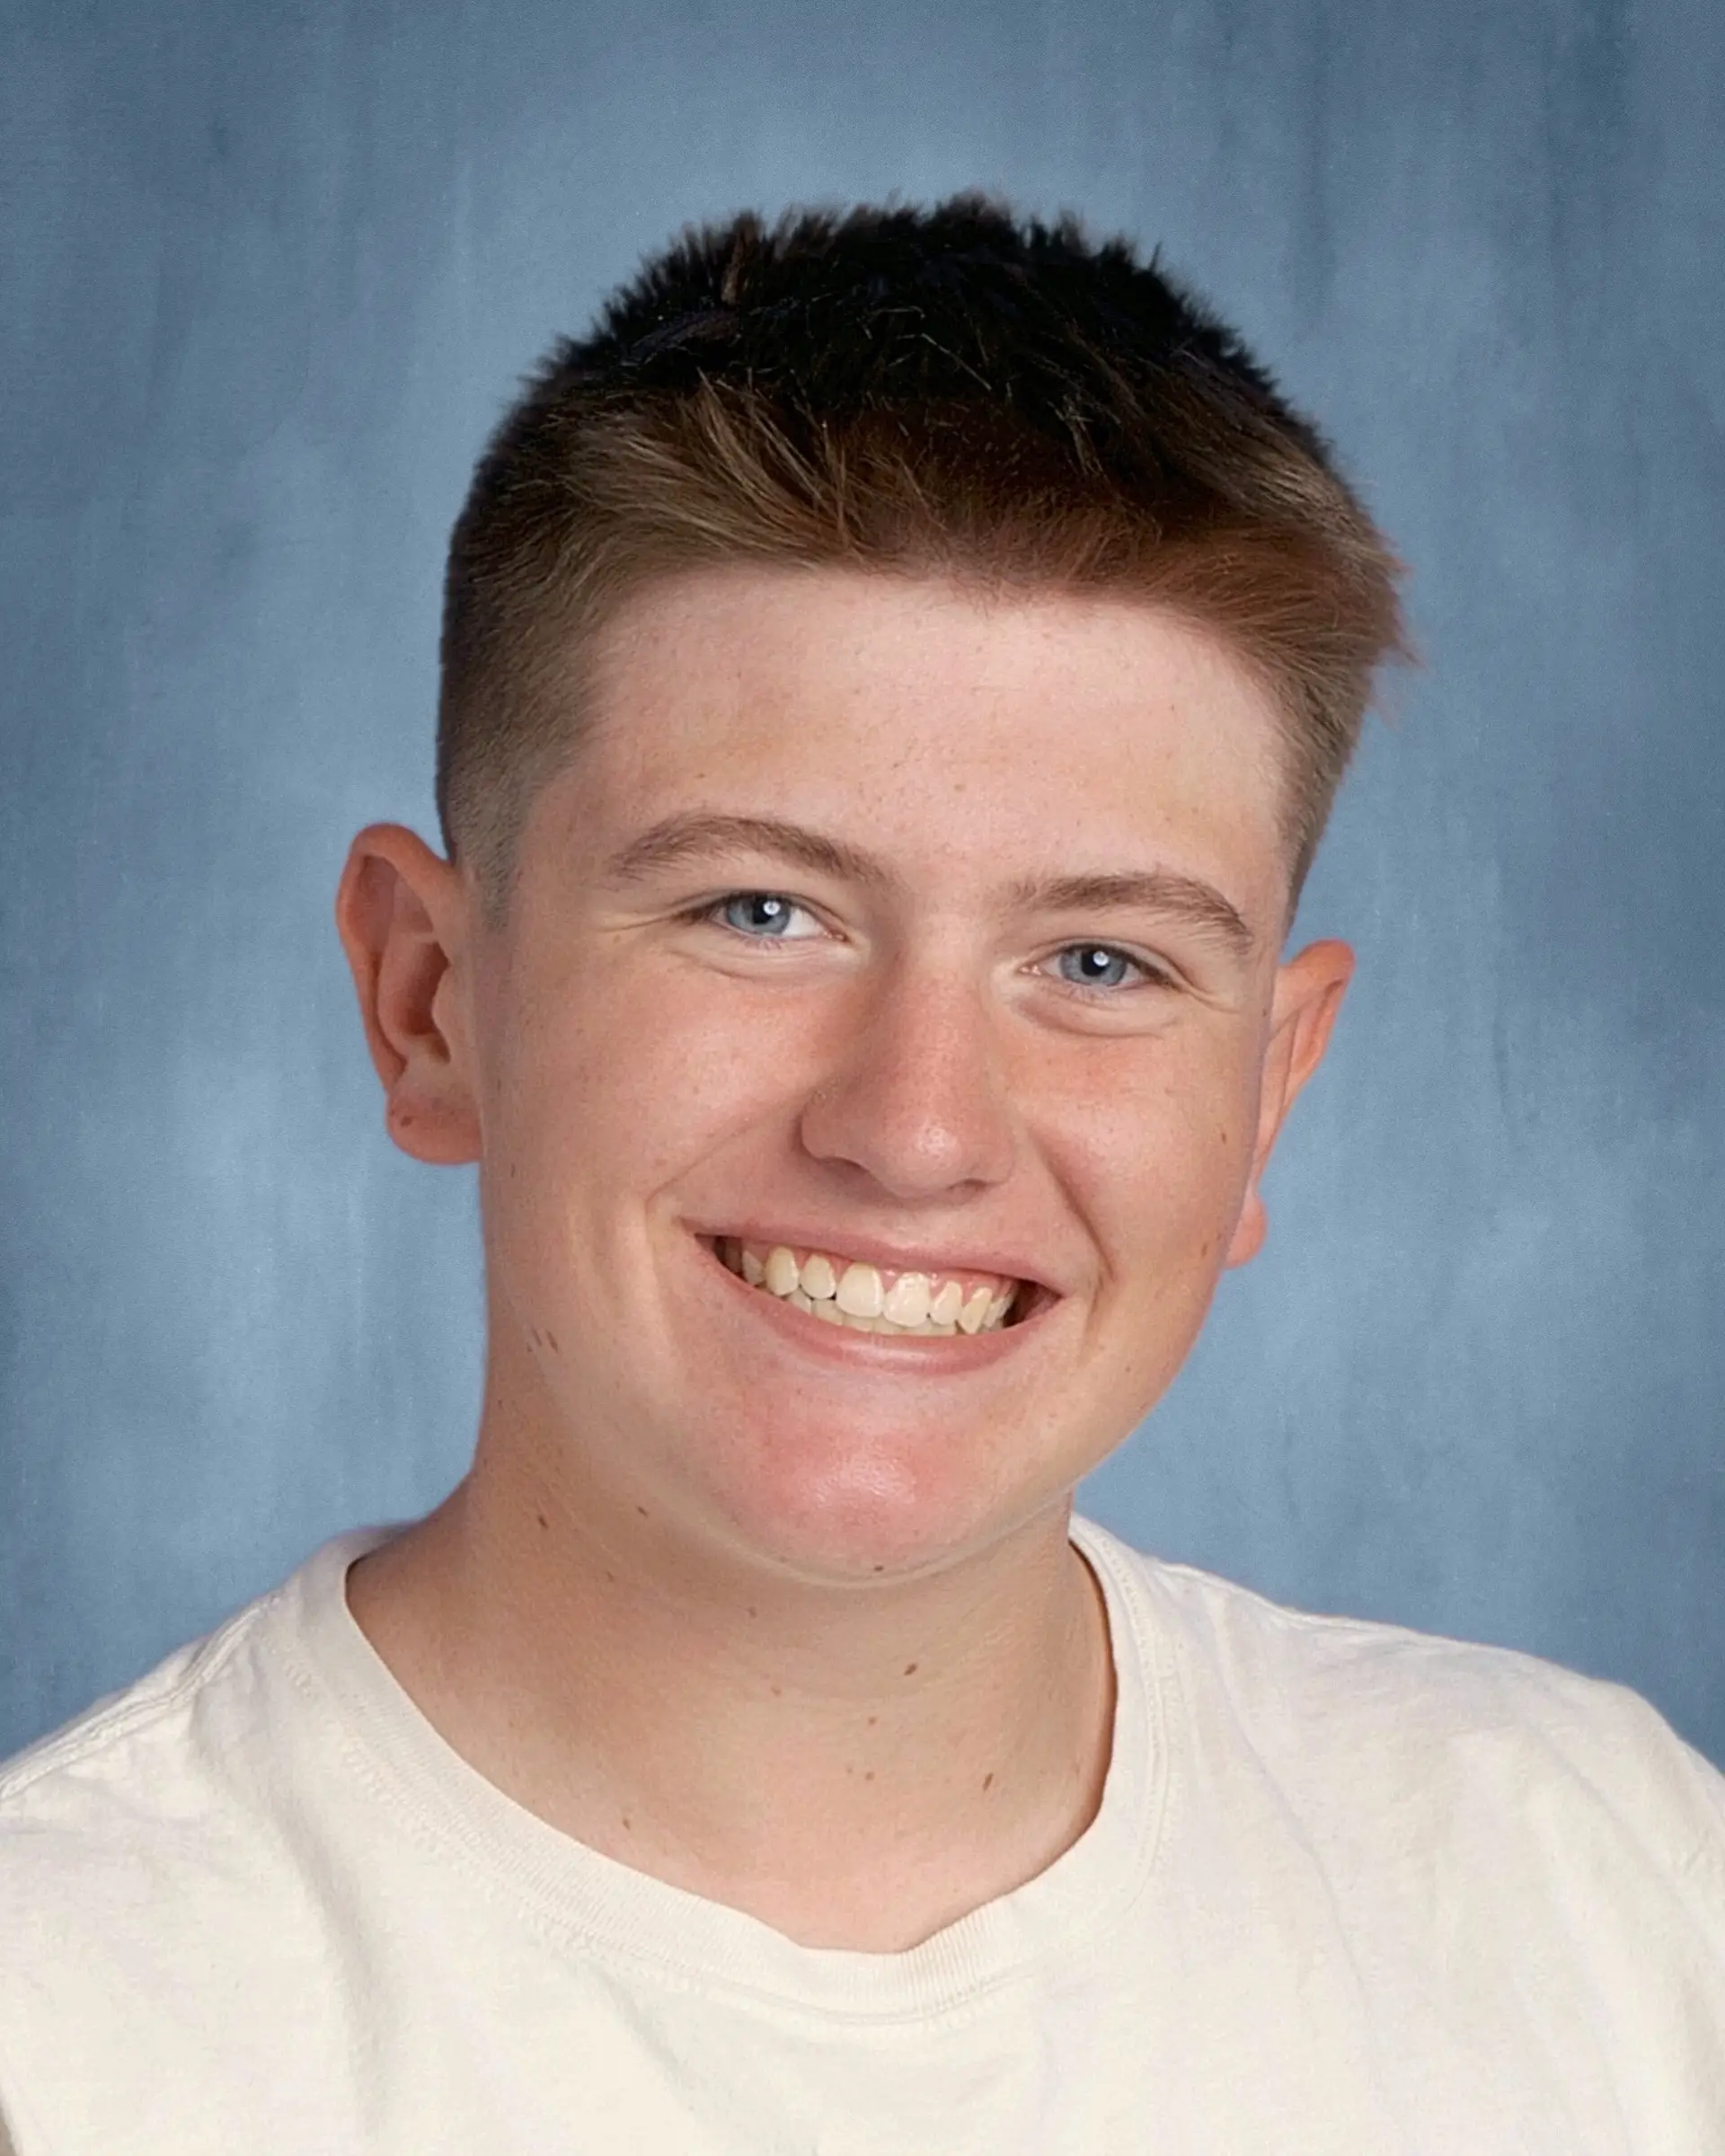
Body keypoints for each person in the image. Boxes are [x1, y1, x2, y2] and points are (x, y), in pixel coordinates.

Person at [1, 194, 1721, 2155]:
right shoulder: (69, 2031)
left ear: (1266, 1093)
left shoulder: (1616, 1908)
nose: (916, 1133)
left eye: (1101, 963)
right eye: (761, 912)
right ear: (429, 1002)